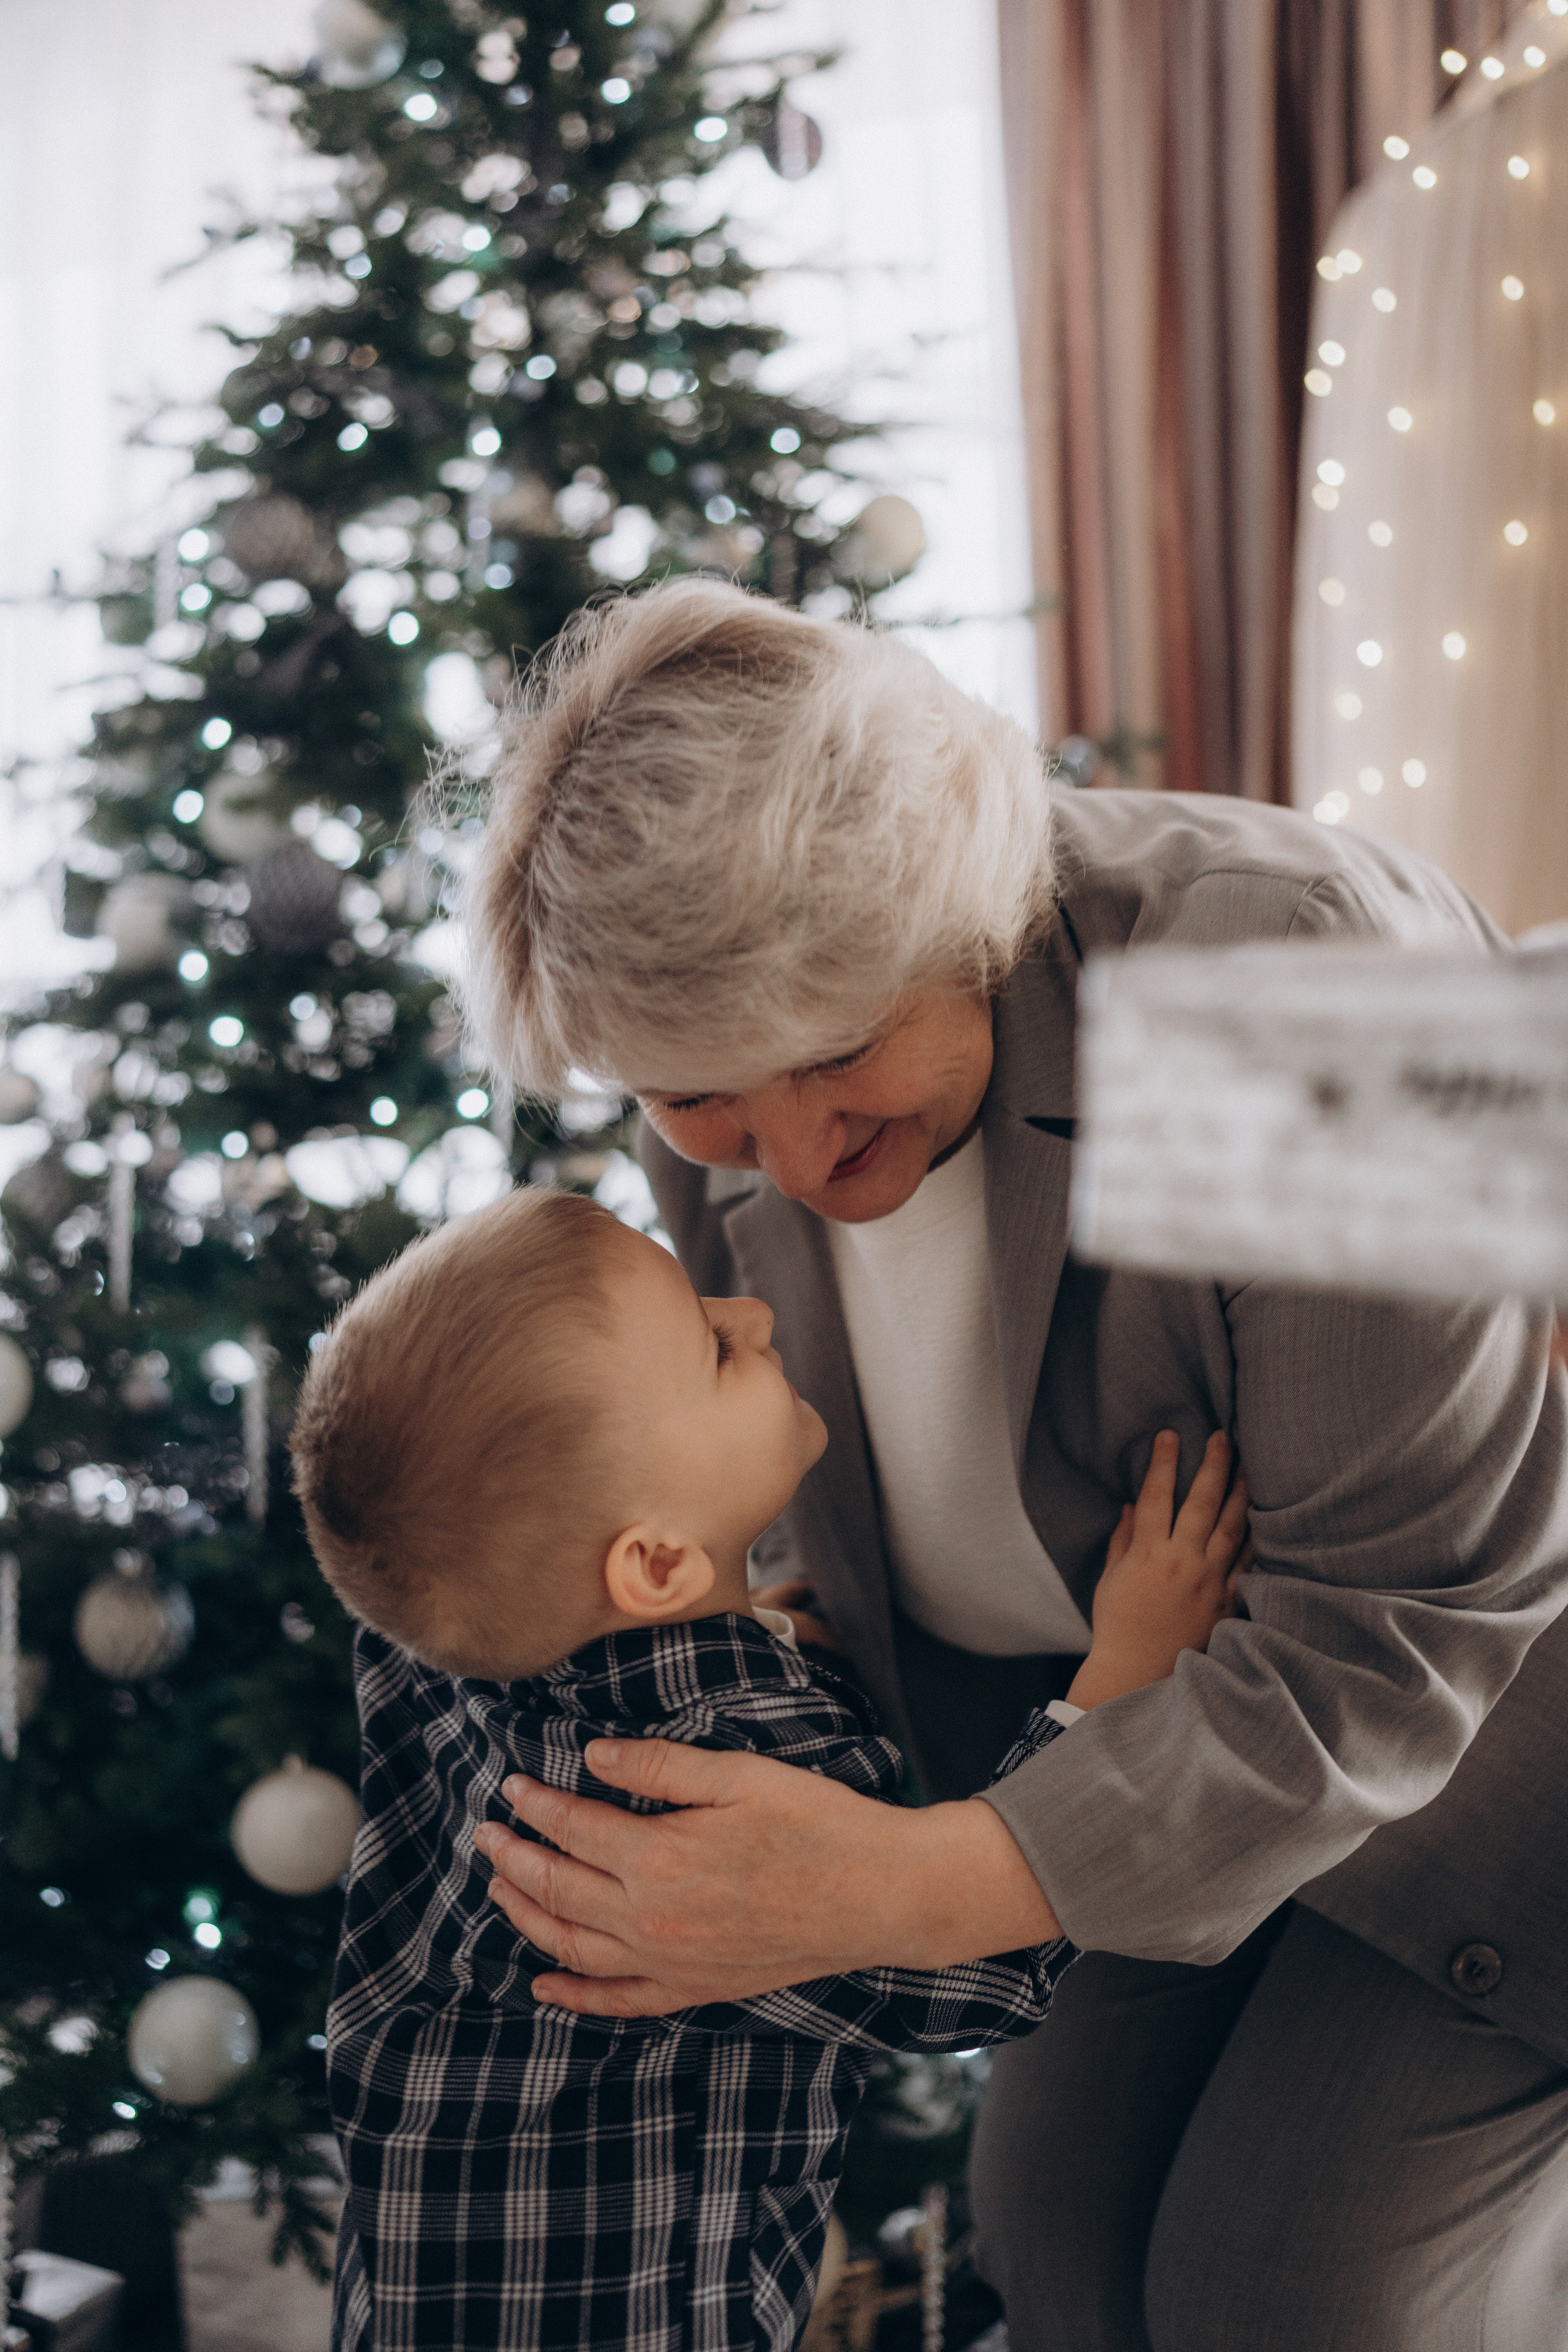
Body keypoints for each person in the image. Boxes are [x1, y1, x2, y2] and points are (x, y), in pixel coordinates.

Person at [462, 579, 1568, 2352]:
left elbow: (1401, 1628)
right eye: (703, 1101)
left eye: (840, 1055)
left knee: (1281, 2298)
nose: (801, 1158)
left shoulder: (1273, 979)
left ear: (970, 918)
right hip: (1155, 1751)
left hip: (1487, 1770)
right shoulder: (715, 1065)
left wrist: (894, 1888)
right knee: (1046, 2232)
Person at [291, 1182, 1249, 2351]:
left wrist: (758, 1631)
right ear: (652, 1565)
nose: (750, 1311)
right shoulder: (720, 1767)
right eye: (709, 1347)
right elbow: (970, 1977)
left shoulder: (445, 1649)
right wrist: (1127, 1671)